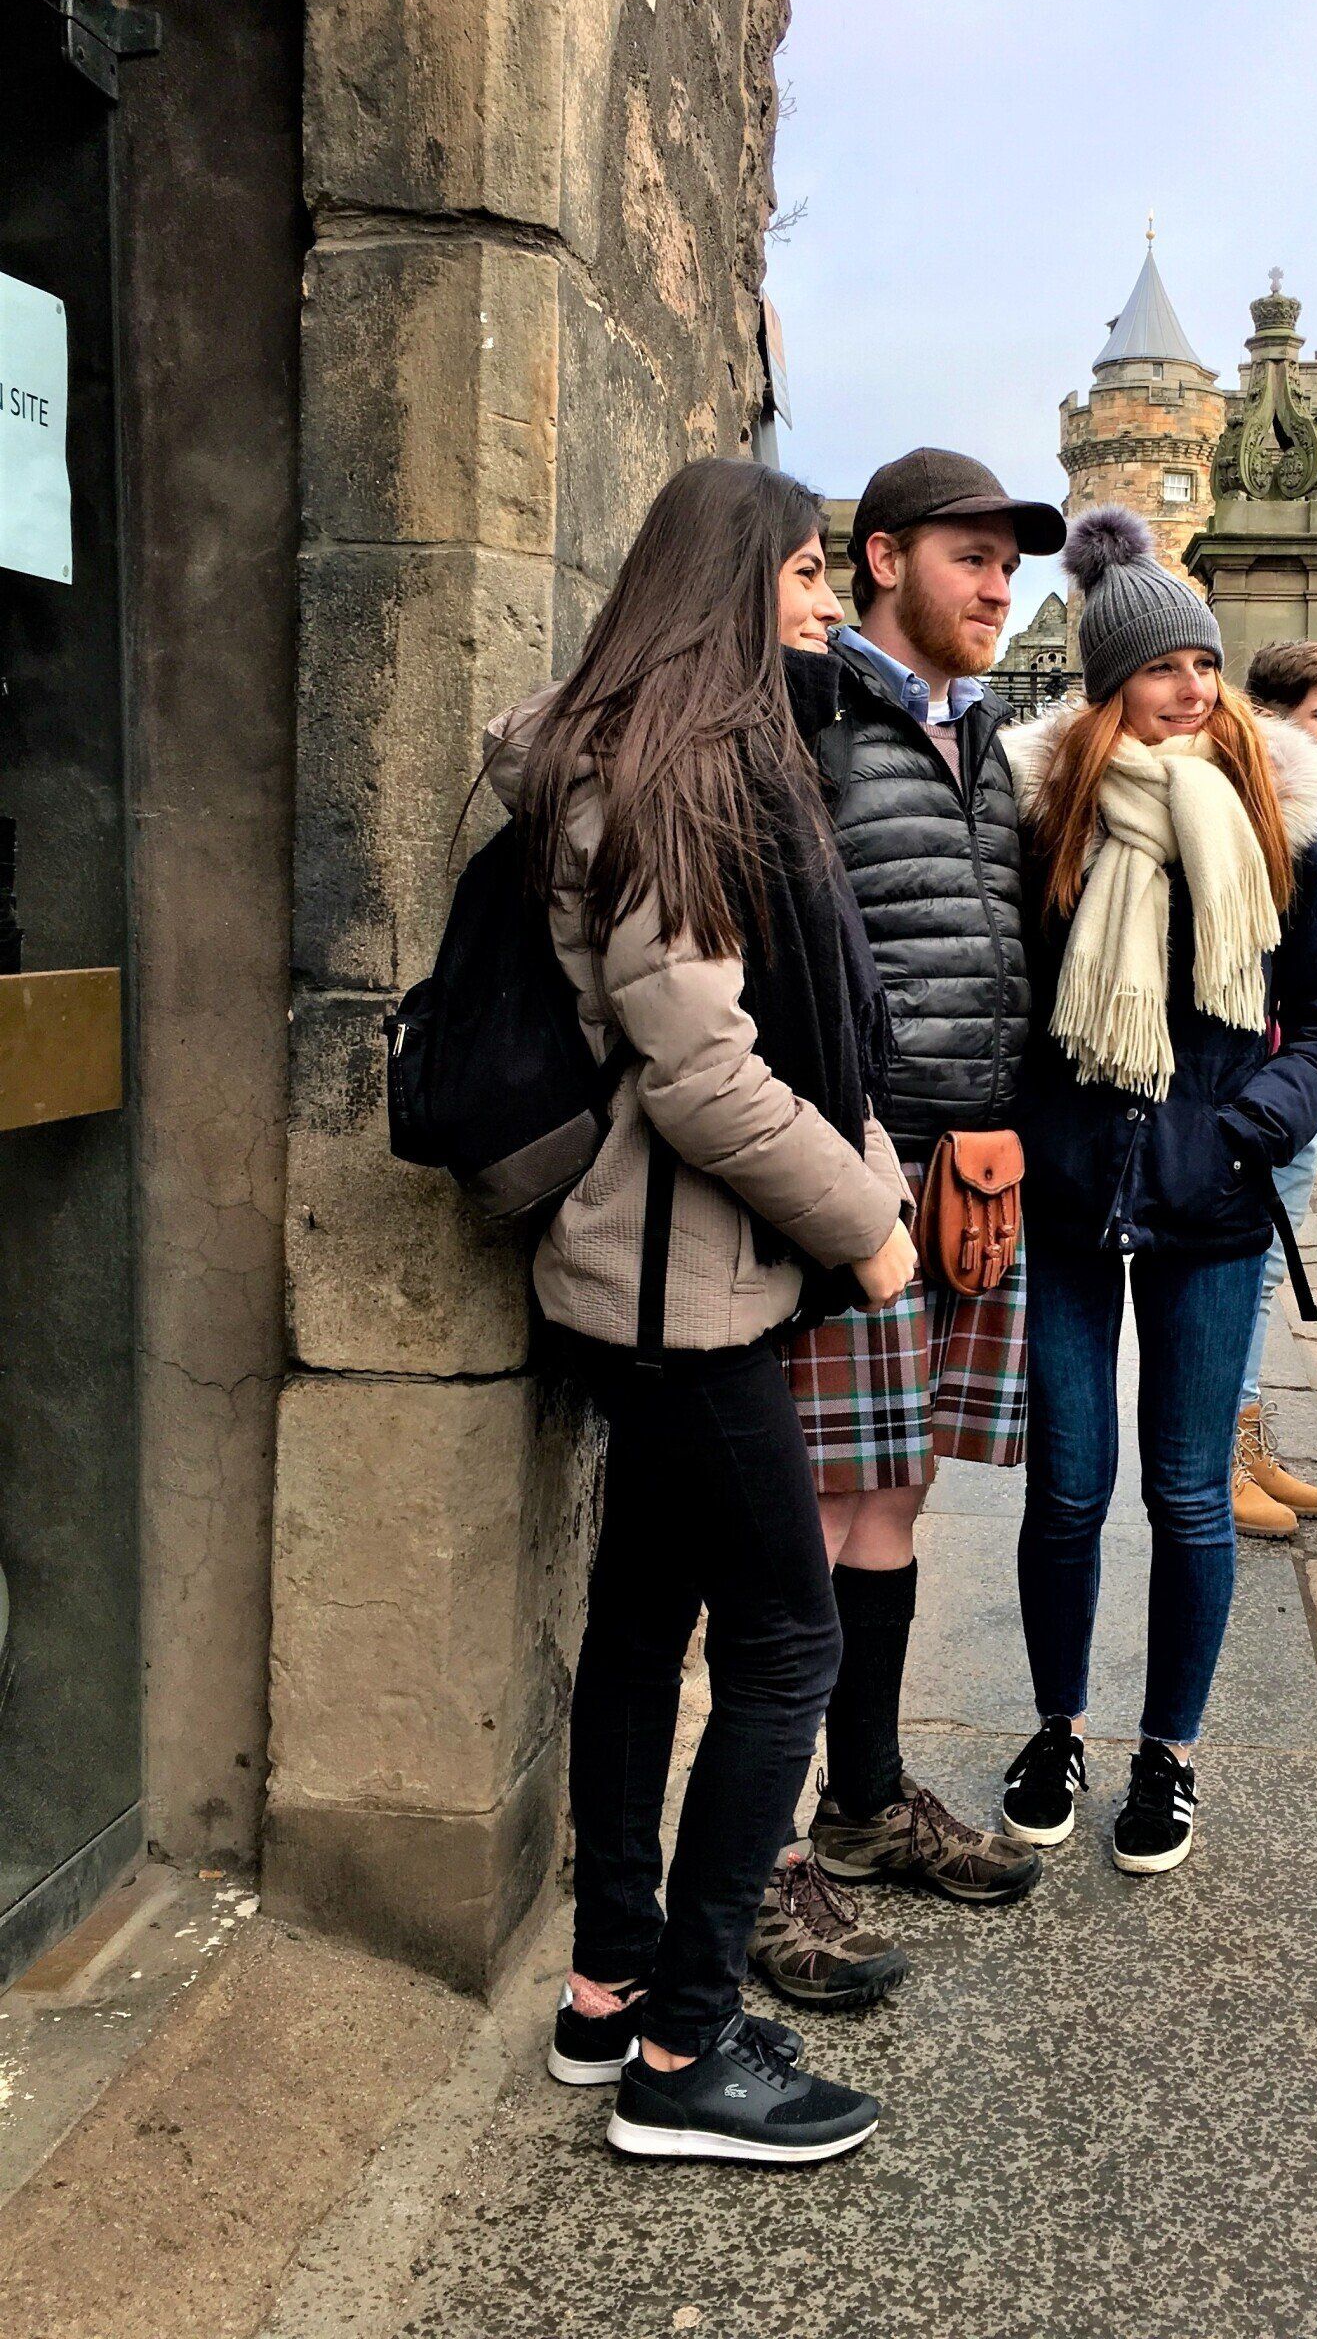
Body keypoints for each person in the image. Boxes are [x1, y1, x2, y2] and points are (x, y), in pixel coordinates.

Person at [489, 458, 918, 2165]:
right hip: (682, 1287)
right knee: (792, 1639)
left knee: (640, 1619)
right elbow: (706, 1078)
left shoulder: (638, 755)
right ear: (732, 579)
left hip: (661, 1275)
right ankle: (687, 2052)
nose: (822, 600)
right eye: (809, 571)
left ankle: (610, 1989)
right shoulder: (676, 777)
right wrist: (873, 1222)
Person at [998, 508, 1317, 1875]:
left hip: (1211, 1201)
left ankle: (1172, 1751)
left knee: (1191, 1494)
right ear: (1111, 686)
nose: (1195, 688)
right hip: (1074, 1196)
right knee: (1067, 1490)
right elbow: (1003, 1008)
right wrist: (1018, 1129)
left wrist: (1248, 1125)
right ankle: (1057, 1725)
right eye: (1166, 668)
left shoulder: (1285, 818)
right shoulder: (1048, 815)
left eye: (1206, 665)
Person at [749, 447, 1066, 2011]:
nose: (1001, 586)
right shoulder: (813, 722)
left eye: (1014, 564)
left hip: (972, 1182)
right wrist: (842, 1163)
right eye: (972, 557)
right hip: (857, 1173)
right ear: (882, 559)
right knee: (810, 1511)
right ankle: (758, 1863)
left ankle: (863, 1804)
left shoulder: (984, 741)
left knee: (895, 1498)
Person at [1230, 641, 1317, 1537]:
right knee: (1249, 1270)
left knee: (1265, 1275)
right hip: (1258, 1087)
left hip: (1288, 1085)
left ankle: (1245, 1437)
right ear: (1273, 721)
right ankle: (1224, 1454)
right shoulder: (1265, 816)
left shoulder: (1312, 812)